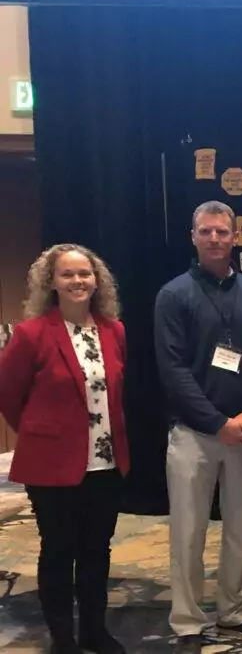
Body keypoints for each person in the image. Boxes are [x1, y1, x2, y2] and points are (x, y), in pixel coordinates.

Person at [154, 201, 242, 653]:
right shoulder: (173, 294)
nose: (215, 239)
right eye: (206, 231)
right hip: (192, 434)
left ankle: (236, 612)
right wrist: (216, 421)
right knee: (188, 531)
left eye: (222, 232)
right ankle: (187, 621)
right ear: (193, 236)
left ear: (236, 236)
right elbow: (173, 370)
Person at [0, 244, 129, 654]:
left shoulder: (113, 330)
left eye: (84, 274)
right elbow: (8, 394)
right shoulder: (32, 333)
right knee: (58, 550)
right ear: (51, 282)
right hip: (51, 465)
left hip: (105, 461)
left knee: (96, 549)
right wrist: (42, 434)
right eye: (67, 274)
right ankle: (62, 638)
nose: (77, 281)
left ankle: (94, 630)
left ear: (97, 280)